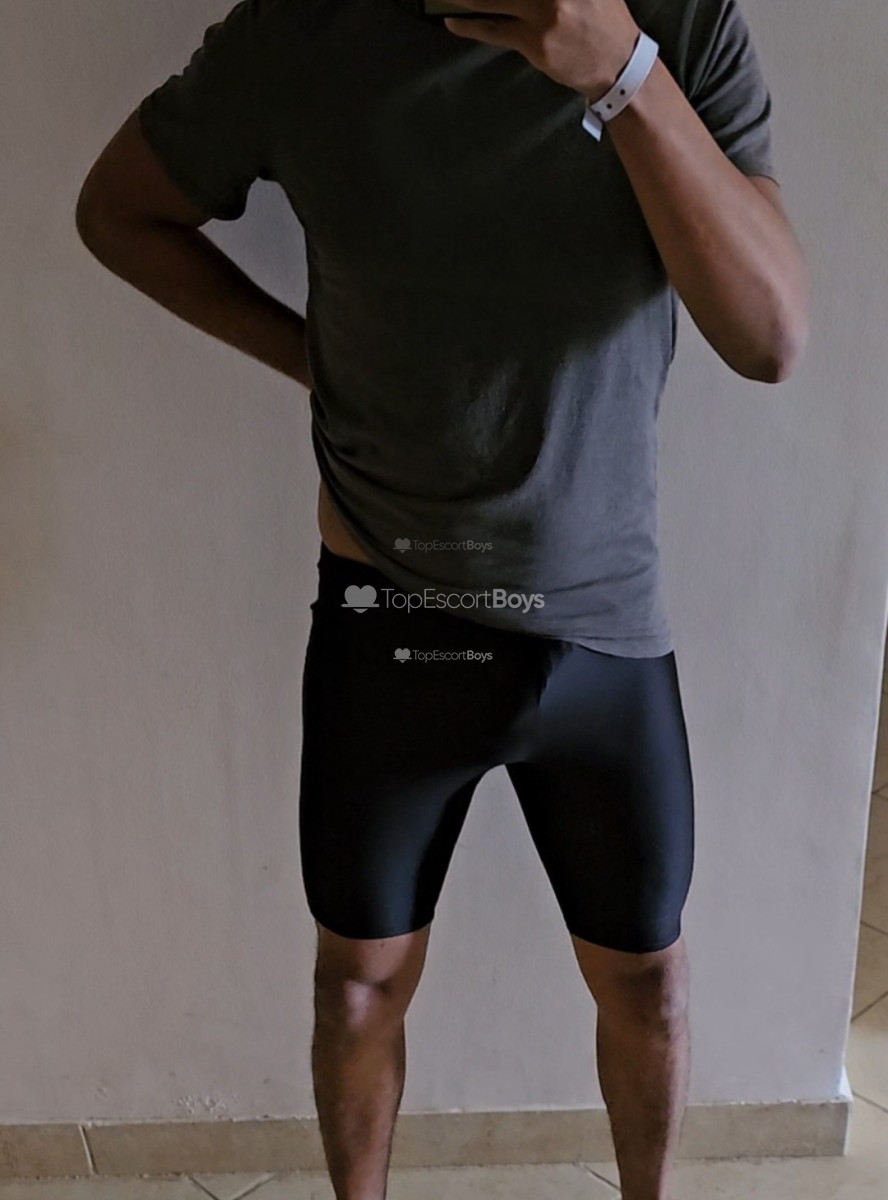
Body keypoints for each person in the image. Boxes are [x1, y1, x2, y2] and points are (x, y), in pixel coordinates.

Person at [75, 1, 809, 1197]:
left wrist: (624, 73)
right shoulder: (300, 30)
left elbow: (772, 337)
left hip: (604, 622)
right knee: (356, 990)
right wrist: (315, 362)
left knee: (652, 991)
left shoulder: (676, 19)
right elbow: (118, 211)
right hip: (391, 611)